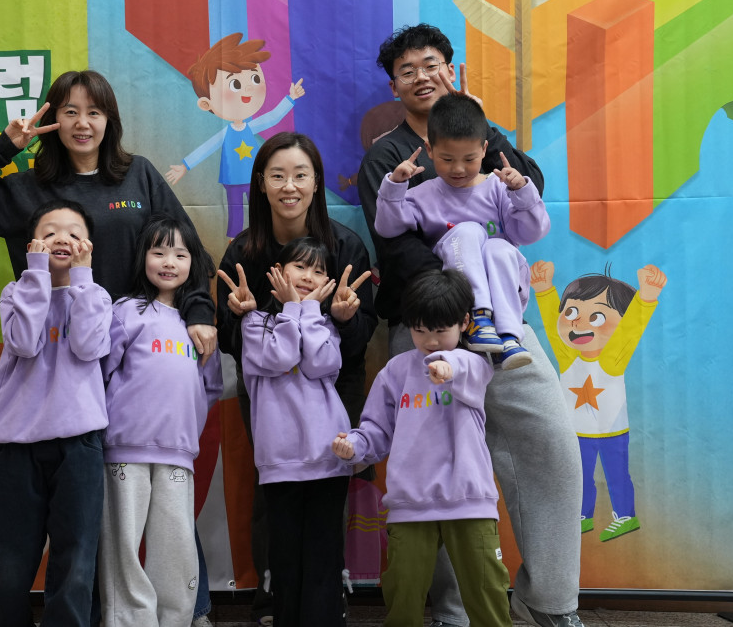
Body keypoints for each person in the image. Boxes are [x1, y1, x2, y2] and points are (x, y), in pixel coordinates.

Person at [357, 23, 583, 627]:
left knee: (553, 447)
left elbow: (529, 191)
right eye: (407, 70)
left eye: (432, 64)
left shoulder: (485, 136)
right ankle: (453, 613)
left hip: (506, 324)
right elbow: (398, 248)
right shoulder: (387, 157)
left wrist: (486, 131)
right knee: (441, 467)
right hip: (428, 331)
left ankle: (551, 602)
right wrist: (454, 309)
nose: (422, 76)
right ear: (394, 86)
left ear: (451, 71)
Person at [0, 69, 216, 360]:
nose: (82, 123)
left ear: (109, 121)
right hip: (57, 350)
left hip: (135, 342)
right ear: (53, 120)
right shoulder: (26, 189)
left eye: (94, 112)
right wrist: (4, 146)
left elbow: (188, 249)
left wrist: (200, 312)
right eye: (70, 112)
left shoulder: (138, 175)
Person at [215, 132, 376, 626]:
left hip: (334, 388)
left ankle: (327, 599)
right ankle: (274, 601)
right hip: (268, 394)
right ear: (260, 183)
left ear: (316, 182)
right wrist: (241, 315)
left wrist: (344, 319)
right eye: (278, 175)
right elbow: (231, 341)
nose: (290, 186)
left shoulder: (345, 246)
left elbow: (360, 340)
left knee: (328, 490)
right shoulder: (243, 251)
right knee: (275, 489)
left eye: (300, 175)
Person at [332, 269, 512, 627]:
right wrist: (354, 446)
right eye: (420, 330)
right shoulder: (395, 372)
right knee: (403, 595)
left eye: (441, 330)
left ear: (464, 323)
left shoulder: (474, 364)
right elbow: (376, 430)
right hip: (409, 503)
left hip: (468, 500)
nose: (430, 341)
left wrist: (448, 367)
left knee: (487, 594)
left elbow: (464, 368)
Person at [0, 200, 112, 627]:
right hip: (16, 446)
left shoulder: (97, 295)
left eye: (74, 233)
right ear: (32, 245)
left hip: (79, 446)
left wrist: (83, 280)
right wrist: (36, 275)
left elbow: (88, 347)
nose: (62, 239)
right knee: (6, 562)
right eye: (50, 232)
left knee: (76, 561)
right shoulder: (15, 292)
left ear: (87, 247)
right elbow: (24, 342)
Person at [98, 214, 224, 627]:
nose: (169, 262)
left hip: (177, 452)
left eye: (180, 254)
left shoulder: (200, 327)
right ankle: (129, 620)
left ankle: (174, 619)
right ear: (143, 257)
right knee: (122, 545)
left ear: (193, 263)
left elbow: (209, 387)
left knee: (176, 544)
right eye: (159, 252)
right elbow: (102, 373)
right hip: (124, 450)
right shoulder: (125, 312)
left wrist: (185, 428)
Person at [373, 92, 550, 369]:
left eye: (469, 159)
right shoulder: (422, 194)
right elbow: (388, 227)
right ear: (429, 150)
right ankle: (478, 318)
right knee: (468, 231)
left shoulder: (498, 188)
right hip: (455, 302)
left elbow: (530, 234)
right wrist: (394, 186)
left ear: (484, 149)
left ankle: (509, 338)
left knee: (499, 247)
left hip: (505, 293)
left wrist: (522, 192)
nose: (458, 169)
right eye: (447, 159)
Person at [239, 236, 351, 627]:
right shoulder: (255, 323)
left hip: (328, 458)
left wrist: (310, 312)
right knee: (285, 559)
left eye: (319, 271)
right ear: (278, 272)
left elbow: (320, 364)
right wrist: (292, 310)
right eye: (300, 266)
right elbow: (280, 357)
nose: (308, 276)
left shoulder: (326, 326)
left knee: (324, 556)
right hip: (281, 462)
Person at [530, 262, 667, 542]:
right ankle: (583, 515)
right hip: (576, 431)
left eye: (596, 316)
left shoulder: (612, 358)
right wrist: (543, 290)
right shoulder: (569, 357)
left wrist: (646, 298)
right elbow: (553, 329)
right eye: (571, 312)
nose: (578, 322)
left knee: (617, 475)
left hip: (613, 430)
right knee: (579, 476)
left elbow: (630, 333)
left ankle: (626, 516)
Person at [165, 32, 305, 239]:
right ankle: (233, 241)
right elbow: (207, 147)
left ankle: (262, 238)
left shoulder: (251, 126)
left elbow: (272, 118)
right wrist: (185, 165)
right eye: (235, 84)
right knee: (235, 212)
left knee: (259, 209)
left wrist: (290, 98)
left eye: (254, 78)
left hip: (254, 177)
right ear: (206, 104)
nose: (247, 89)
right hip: (232, 180)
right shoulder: (226, 132)